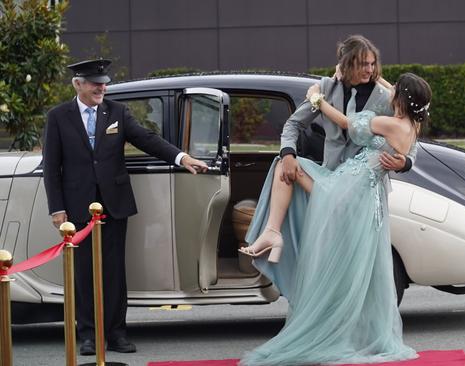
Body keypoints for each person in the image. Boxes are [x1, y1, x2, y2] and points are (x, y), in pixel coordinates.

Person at [240, 72, 431, 365]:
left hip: (347, 190)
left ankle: (272, 232)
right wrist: (376, 76)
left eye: (395, 92)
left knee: (286, 164)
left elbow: (344, 123)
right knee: (290, 170)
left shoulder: (389, 123)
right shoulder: (411, 125)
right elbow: (397, 91)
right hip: (363, 194)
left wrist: (316, 98)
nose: (389, 92)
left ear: (402, 100)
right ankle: (273, 234)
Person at [42, 59, 208, 356]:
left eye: (103, 82)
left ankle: (117, 333)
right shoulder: (58, 117)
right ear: (77, 84)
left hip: (113, 206)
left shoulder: (117, 112)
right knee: (84, 273)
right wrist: (57, 208)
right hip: (77, 208)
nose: (101, 87)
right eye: (94, 82)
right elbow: (52, 167)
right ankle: (90, 335)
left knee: (115, 271)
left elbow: (148, 139)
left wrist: (182, 158)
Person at [240, 35, 416, 301]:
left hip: (364, 188)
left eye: (372, 64)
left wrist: (406, 162)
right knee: (283, 165)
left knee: (357, 261)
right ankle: (273, 233)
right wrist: (288, 152)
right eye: (362, 65)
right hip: (332, 177)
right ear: (345, 65)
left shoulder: (385, 97)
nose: (369, 70)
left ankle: (357, 322)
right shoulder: (324, 88)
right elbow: (292, 125)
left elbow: (409, 132)